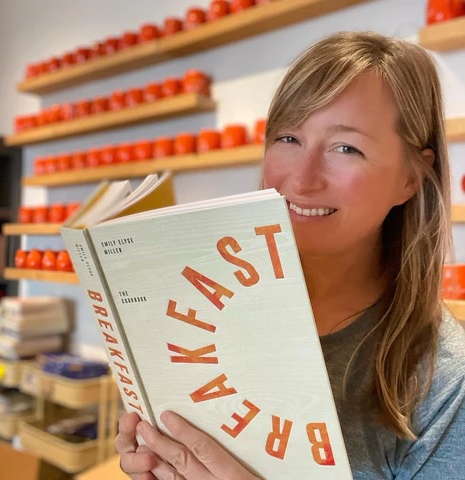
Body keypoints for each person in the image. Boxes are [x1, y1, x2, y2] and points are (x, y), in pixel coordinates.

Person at [115, 31, 465, 479]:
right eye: (287, 138)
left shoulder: (442, 379)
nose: (301, 181)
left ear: (411, 178)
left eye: (346, 148)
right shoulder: (200, 304)